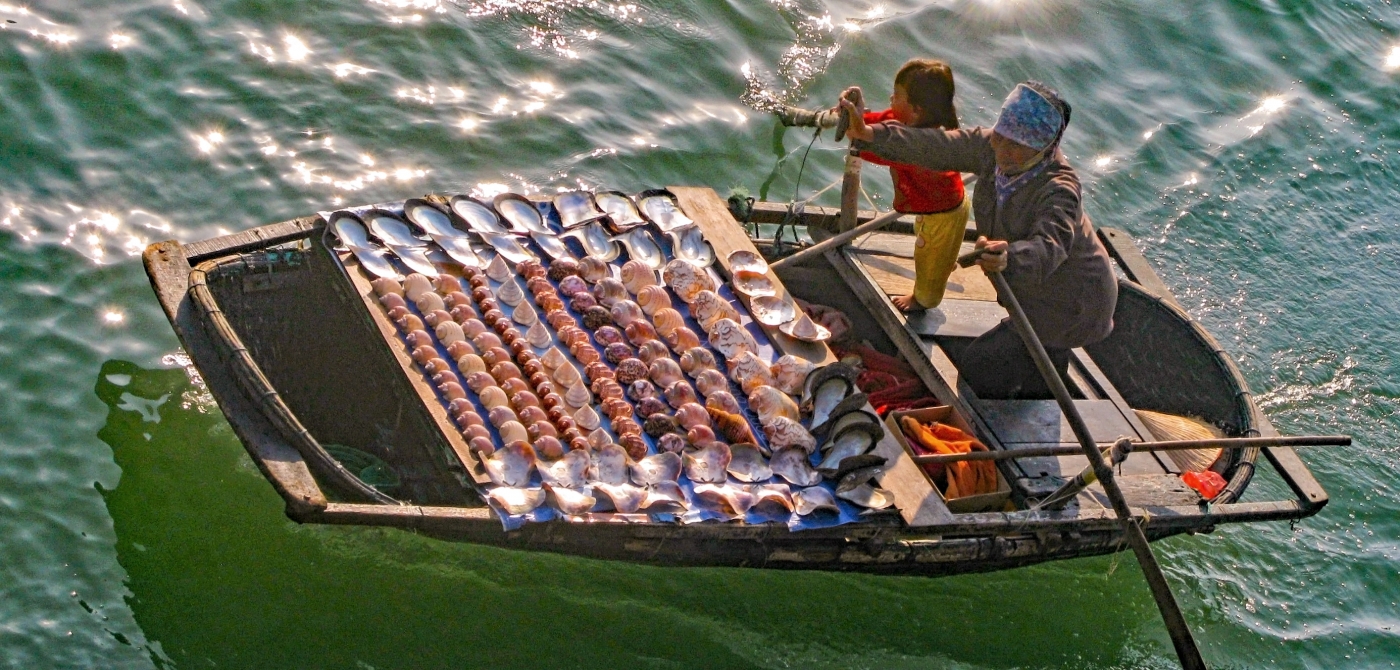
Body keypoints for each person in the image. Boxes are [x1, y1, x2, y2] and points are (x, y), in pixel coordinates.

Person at [839, 81, 1118, 399]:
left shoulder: (1059, 189)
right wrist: (871, 133)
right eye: (1001, 137)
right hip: (1032, 292)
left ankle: (1026, 420)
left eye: (1017, 146)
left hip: (1072, 301)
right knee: (1034, 369)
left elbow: (1051, 245)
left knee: (985, 368)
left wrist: (1010, 257)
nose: (1003, 151)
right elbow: (938, 145)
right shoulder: (992, 149)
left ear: (1045, 149)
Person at [778, 59, 969, 311]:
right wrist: (857, 112)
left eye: (898, 95)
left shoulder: (916, 145)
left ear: (916, 110)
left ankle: (924, 299)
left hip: (943, 215)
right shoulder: (911, 122)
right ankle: (944, 259)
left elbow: (868, 146)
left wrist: (856, 126)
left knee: (928, 258)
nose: (891, 98)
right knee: (934, 244)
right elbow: (875, 124)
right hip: (938, 205)